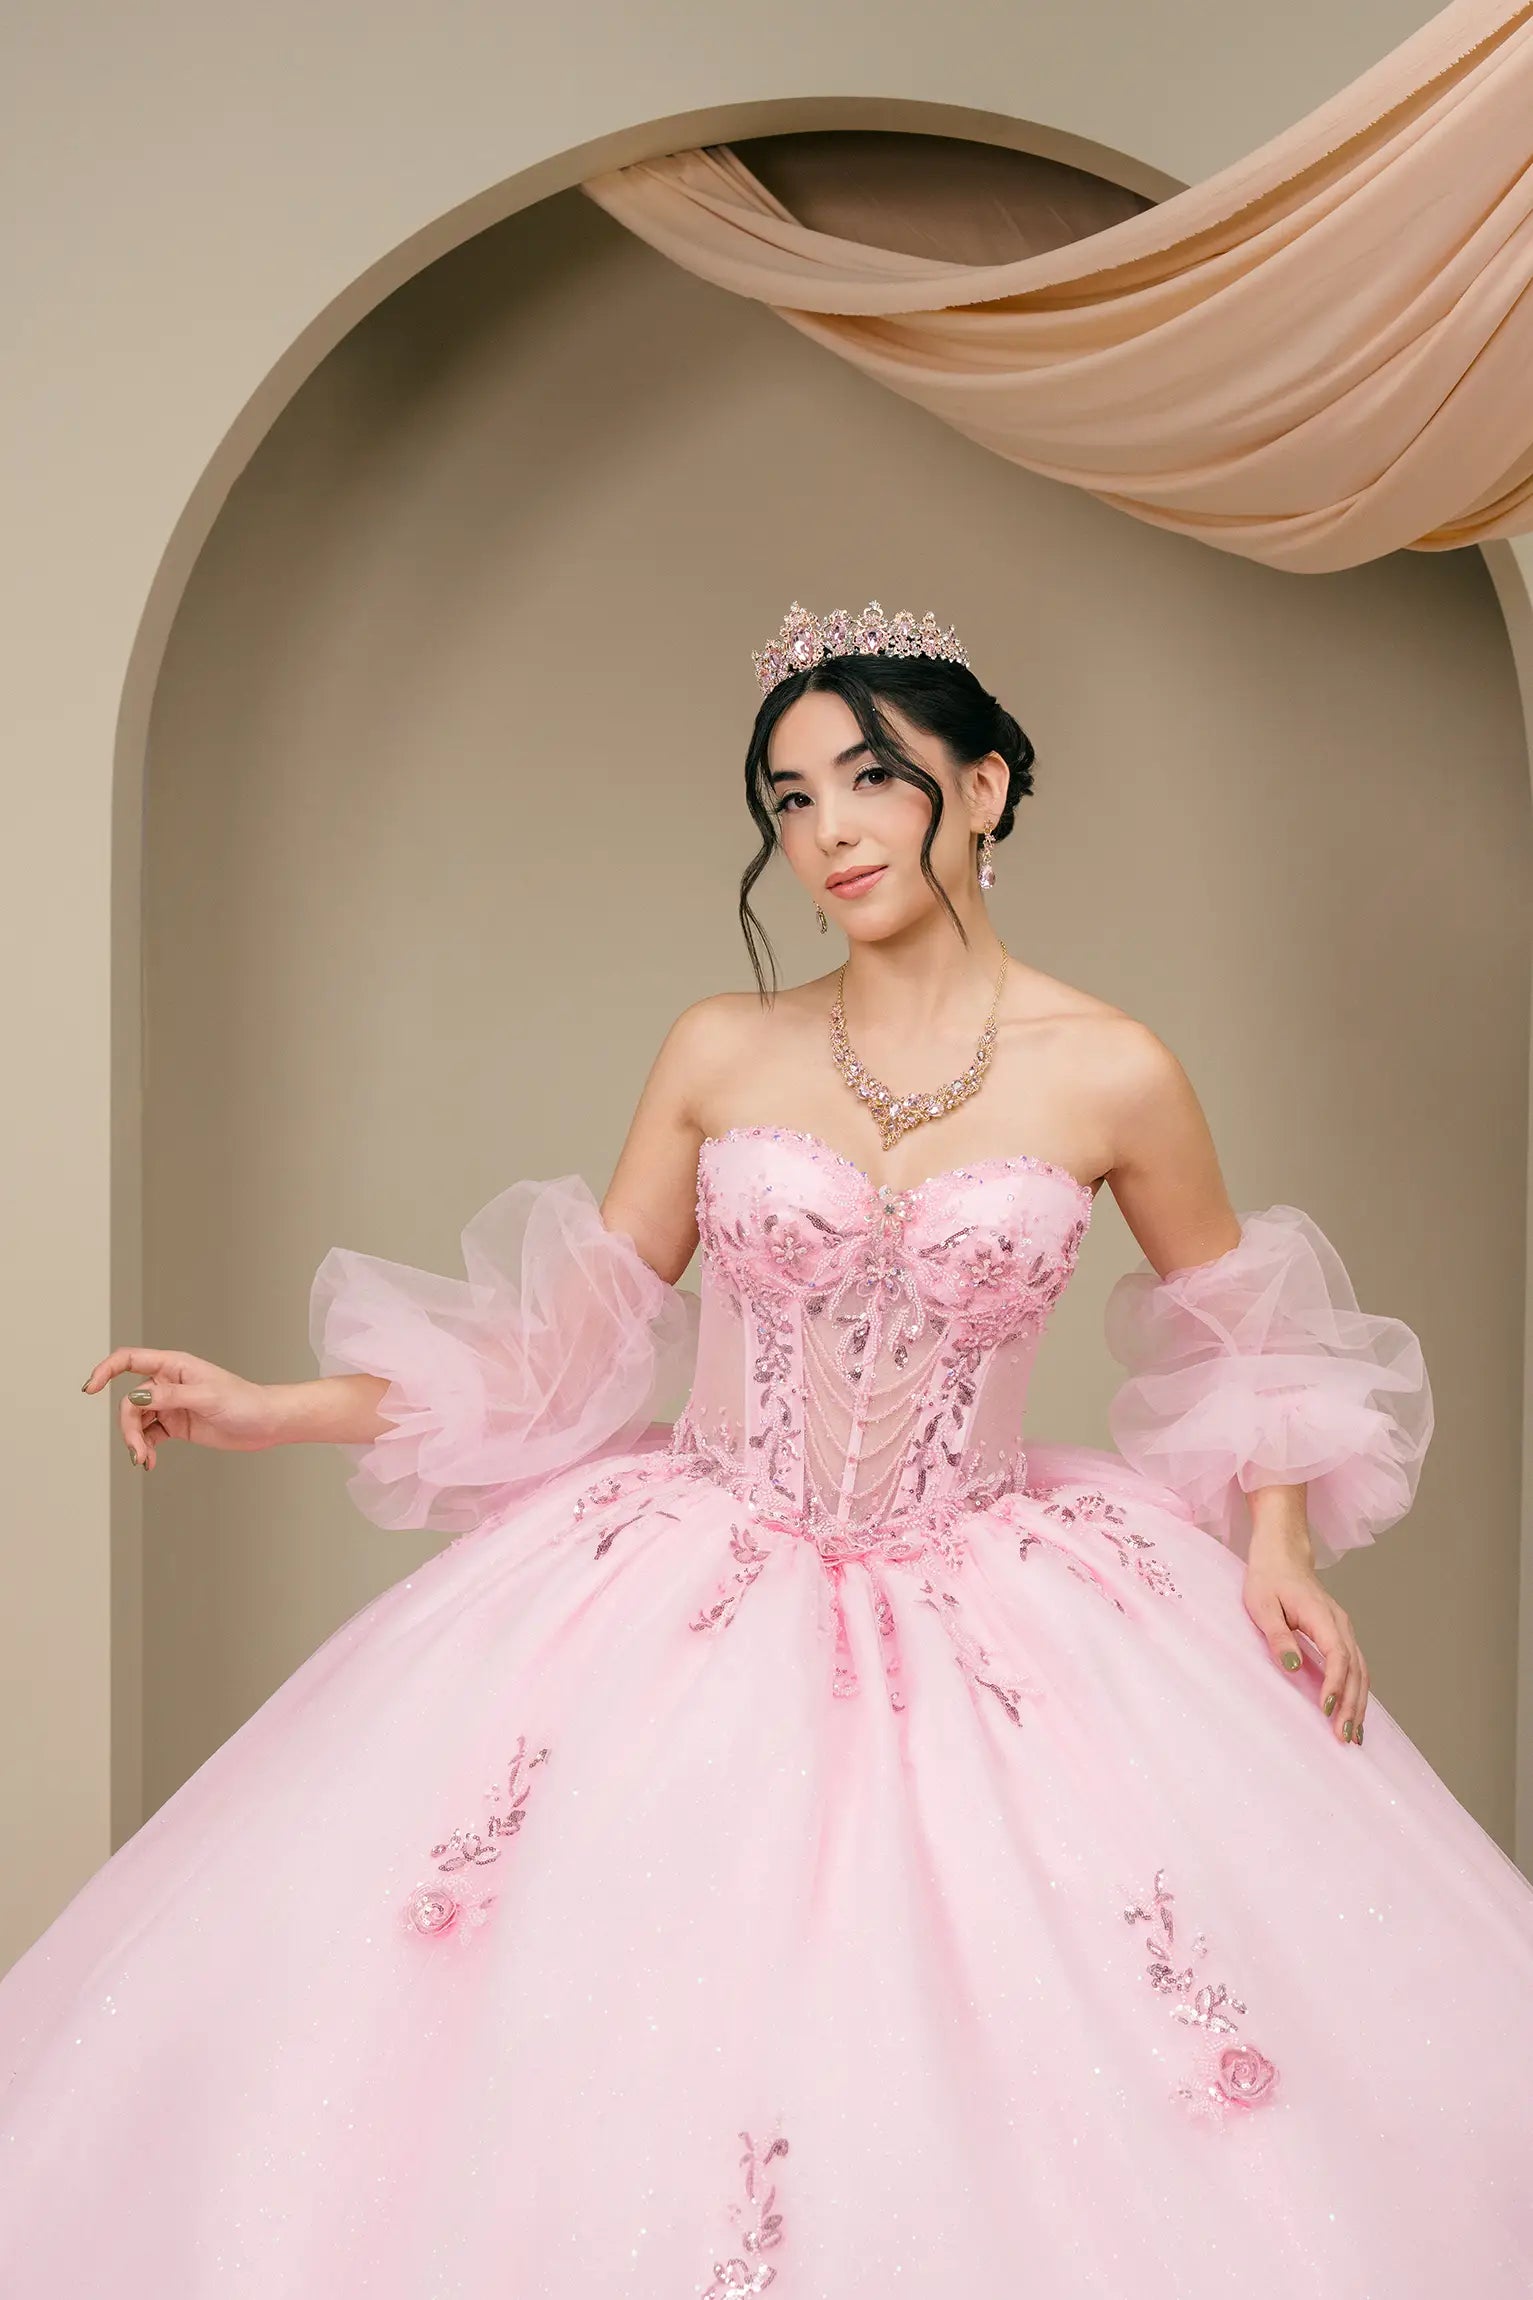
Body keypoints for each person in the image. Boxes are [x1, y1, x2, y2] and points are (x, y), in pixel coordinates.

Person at [3, 597, 1529, 2295]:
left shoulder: (1112, 1070)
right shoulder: (720, 1049)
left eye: (870, 777)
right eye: (789, 797)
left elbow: (1246, 1332)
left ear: (988, 788)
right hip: (693, 1582)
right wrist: (275, 1405)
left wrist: (1275, 1545)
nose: (827, 830)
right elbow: (566, 1348)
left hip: (1002, 1606)